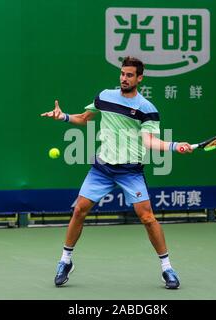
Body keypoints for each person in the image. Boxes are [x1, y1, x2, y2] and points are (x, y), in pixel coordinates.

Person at [40, 56, 193, 289]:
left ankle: (167, 269)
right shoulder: (104, 96)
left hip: (131, 171)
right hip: (102, 168)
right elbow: (84, 118)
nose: (124, 78)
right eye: (122, 74)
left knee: (148, 218)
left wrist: (174, 146)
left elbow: (149, 141)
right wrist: (63, 117)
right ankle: (65, 261)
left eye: (129, 75)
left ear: (139, 78)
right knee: (79, 209)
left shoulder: (147, 109)